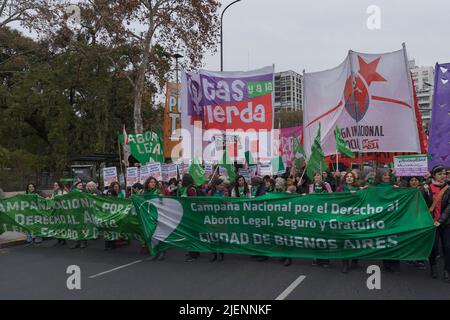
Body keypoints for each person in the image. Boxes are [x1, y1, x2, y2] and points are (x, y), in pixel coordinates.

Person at [422, 165, 450, 281]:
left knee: (447, 247)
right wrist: (423, 186)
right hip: (431, 223)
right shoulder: (427, 187)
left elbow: (449, 206)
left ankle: (447, 270)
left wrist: (440, 220)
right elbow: (419, 201)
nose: (443, 176)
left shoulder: (448, 187)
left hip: (445, 223)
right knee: (433, 247)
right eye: (439, 174)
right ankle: (433, 266)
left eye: (444, 173)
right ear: (434, 175)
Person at [374, 168, 401, 273]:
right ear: (380, 176)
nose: (387, 177)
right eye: (384, 175)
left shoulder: (394, 187)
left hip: (393, 218)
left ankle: (395, 264)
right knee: (385, 241)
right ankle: (386, 264)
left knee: (394, 241)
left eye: (388, 175)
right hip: (381, 219)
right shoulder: (375, 188)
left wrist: (398, 190)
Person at [336, 172, 359, 273]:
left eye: (351, 177)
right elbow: (335, 200)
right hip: (343, 217)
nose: (349, 178)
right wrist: (347, 195)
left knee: (354, 239)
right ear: (345, 179)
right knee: (344, 240)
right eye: (347, 177)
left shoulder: (358, 189)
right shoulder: (340, 189)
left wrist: (357, 195)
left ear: (354, 179)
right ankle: (345, 263)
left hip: (355, 217)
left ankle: (355, 259)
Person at [309, 172, 332, 267]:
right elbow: (309, 197)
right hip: (314, 213)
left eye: (319, 175)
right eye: (315, 175)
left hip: (324, 213)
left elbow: (331, 195)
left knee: (324, 236)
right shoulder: (311, 185)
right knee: (315, 236)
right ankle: (316, 257)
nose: (317, 176)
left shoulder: (326, 184)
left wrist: (324, 189)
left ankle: (325, 259)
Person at [180, 174, 200, 262]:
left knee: (191, 234)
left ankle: (193, 254)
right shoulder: (184, 189)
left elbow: (193, 201)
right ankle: (194, 251)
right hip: (187, 213)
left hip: (191, 215)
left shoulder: (191, 189)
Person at [51, 181, 68, 246]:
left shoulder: (63, 191)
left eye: (56, 185)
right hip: (56, 211)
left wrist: (59, 198)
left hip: (62, 211)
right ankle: (58, 240)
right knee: (56, 226)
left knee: (62, 225)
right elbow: (52, 200)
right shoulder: (54, 192)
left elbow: (66, 200)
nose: (55, 186)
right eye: (54, 185)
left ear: (59, 186)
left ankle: (63, 240)